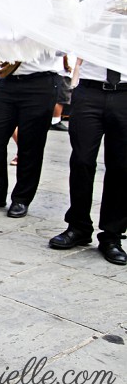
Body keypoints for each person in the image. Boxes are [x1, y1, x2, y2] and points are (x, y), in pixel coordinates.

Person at [49, 59, 127, 265]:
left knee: (121, 166)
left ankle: (112, 236)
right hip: (89, 89)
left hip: (125, 93)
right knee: (81, 160)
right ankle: (78, 227)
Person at [0, 48, 58, 218]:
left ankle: (22, 198)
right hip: (8, 80)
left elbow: (61, 49)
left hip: (40, 81)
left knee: (31, 143)